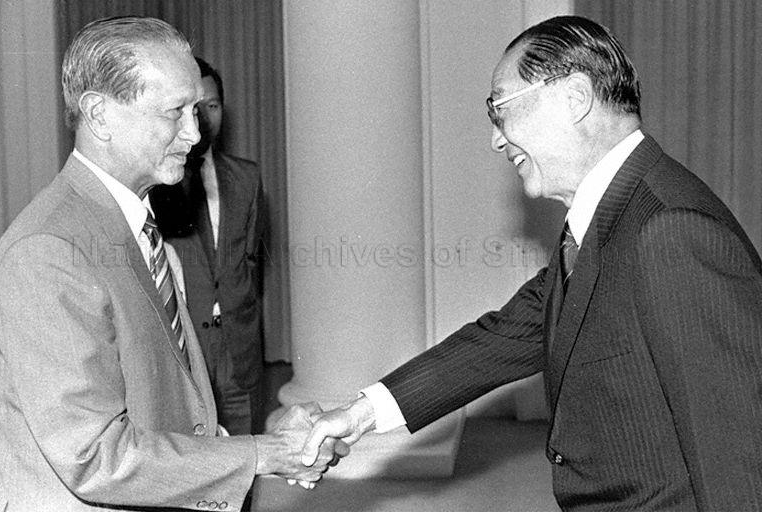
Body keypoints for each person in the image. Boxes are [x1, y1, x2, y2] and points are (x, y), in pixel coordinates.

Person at [301, 15, 762, 511]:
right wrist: (362, 414)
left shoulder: (671, 230)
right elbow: (504, 337)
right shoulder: (607, 216)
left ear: (574, 97)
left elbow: (736, 458)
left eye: (501, 109)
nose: (496, 139)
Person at [0, 16, 343, 511]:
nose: (195, 133)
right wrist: (259, 455)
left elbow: (163, 406)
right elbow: (95, 458)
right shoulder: (49, 251)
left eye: (197, 111)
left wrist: (246, 441)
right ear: (99, 115)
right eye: (175, 112)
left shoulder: (138, 224)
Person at [149, 56, 267, 435]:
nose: (201, 117)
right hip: (184, 346)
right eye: (190, 108)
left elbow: (251, 266)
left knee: (246, 459)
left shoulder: (247, 178)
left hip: (238, 349)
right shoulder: (156, 182)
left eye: (211, 106)